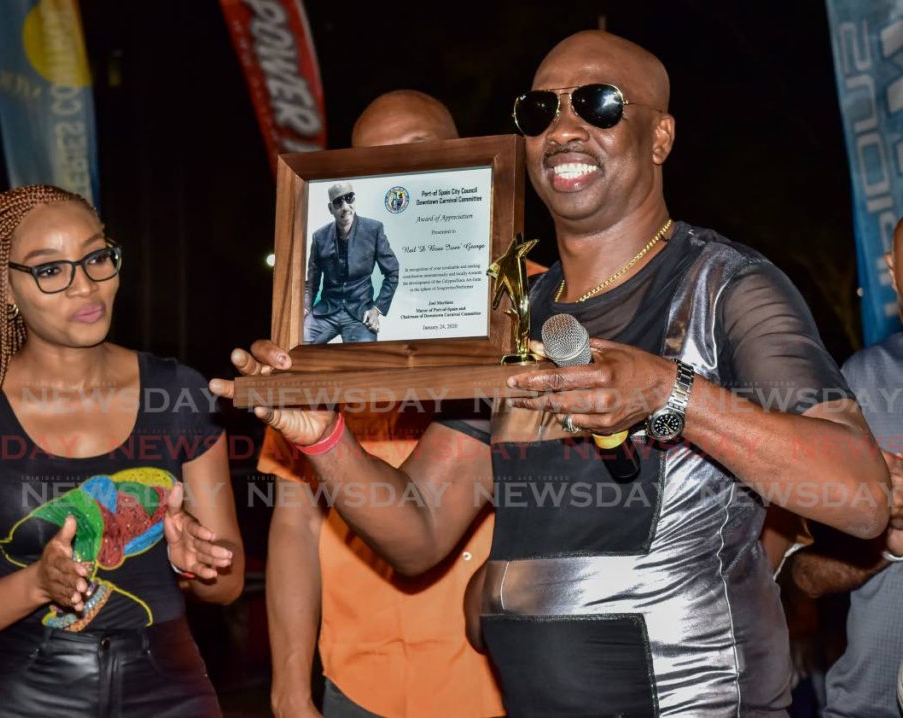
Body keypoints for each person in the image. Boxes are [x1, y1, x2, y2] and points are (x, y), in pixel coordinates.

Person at [216, 31, 892, 716]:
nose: (564, 128)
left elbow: (860, 497)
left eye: (597, 104)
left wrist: (672, 393)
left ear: (659, 137)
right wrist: (325, 437)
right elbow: (417, 532)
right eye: (540, 111)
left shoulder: (725, 287)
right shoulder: (511, 319)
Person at [0, 185, 244, 717]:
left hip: (169, 692)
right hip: (22, 696)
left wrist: (195, 567)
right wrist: (36, 584)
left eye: (95, 257)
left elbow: (229, 584)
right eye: (50, 270)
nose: (84, 284)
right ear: (7, 290)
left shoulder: (179, 393)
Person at [264, 90, 504, 718]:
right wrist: (290, 688)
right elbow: (293, 521)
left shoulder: (526, 309)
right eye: (376, 165)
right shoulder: (312, 328)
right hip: (355, 681)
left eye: (421, 156)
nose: (403, 178)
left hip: (494, 676)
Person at [790, 217, 903, 718]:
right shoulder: (860, 383)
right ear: (894, 273)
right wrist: (885, 544)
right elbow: (798, 574)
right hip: (870, 705)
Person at [304, 181, 399, 344]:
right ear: (330, 208)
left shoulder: (374, 230)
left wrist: (376, 310)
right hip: (326, 312)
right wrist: (305, 308)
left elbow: (393, 272)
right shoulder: (319, 237)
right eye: (338, 202)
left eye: (349, 198)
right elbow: (312, 282)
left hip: (360, 315)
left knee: (365, 362)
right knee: (296, 343)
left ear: (354, 199)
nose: (345, 206)